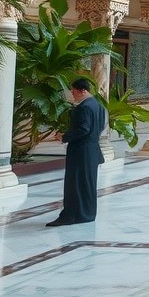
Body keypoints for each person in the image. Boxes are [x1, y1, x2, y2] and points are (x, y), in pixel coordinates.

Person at [47, 79, 105, 227]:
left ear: (83, 91)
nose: (72, 94)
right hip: (91, 151)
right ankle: (87, 214)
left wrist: (64, 137)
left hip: (81, 152)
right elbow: (99, 127)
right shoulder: (98, 105)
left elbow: (83, 129)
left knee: (75, 184)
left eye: (74, 91)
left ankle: (72, 216)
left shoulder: (84, 107)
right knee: (87, 184)